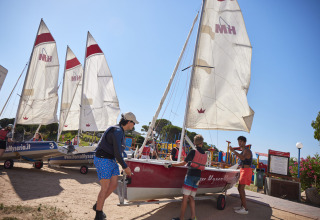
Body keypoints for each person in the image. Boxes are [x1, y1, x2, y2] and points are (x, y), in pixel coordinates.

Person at [93, 112, 138, 220]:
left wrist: (126, 161)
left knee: (113, 185)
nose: (134, 125)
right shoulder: (117, 131)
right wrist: (125, 167)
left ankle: (97, 204)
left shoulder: (120, 131)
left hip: (111, 159)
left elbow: (119, 152)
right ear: (129, 122)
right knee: (105, 187)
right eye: (133, 123)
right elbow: (117, 153)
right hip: (103, 159)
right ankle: (98, 214)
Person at [165, 135, 207, 220]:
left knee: (185, 198)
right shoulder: (205, 154)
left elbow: (183, 163)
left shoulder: (193, 151)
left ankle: (181, 218)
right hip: (198, 177)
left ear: (194, 143)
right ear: (202, 143)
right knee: (191, 197)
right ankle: (193, 217)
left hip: (190, 175)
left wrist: (171, 164)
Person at [229, 136, 252, 215]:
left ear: (245, 142)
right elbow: (240, 162)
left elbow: (242, 158)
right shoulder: (243, 150)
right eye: (239, 141)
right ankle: (242, 207)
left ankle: (245, 209)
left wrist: (233, 151)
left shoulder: (247, 150)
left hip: (246, 171)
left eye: (241, 141)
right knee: (240, 188)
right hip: (243, 170)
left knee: (241, 189)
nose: (240, 142)